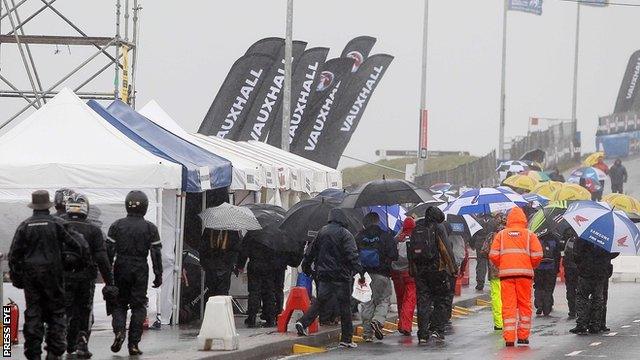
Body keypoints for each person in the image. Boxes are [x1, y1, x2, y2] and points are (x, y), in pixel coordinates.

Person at [9, 190, 84, 360]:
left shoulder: (25, 225)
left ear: (34, 206)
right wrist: (68, 264)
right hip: (53, 275)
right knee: (56, 313)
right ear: (48, 206)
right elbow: (77, 246)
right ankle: (54, 352)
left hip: (31, 276)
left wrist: (18, 277)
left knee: (34, 312)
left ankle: (33, 353)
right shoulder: (57, 224)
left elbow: (14, 255)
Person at [296, 209, 362, 349]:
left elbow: (310, 252)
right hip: (341, 276)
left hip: (324, 274)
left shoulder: (322, 232)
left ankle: (303, 322)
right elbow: (352, 254)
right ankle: (346, 338)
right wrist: (359, 271)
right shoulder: (346, 234)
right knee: (345, 307)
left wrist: (307, 267)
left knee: (320, 302)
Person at [106, 191, 163, 355]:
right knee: (139, 306)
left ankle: (119, 331)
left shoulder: (117, 225)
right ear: (145, 207)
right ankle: (133, 344)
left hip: (121, 266)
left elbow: (108, 251)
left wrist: (108, 274)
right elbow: (155, 253)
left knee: (119, 303)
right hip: (140, 267)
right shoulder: (150, 227)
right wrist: (158, 274)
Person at [63, 193, 115, 358]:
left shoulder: (59, 226)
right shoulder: (94, 230)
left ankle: (66, 340)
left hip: (64, 276)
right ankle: (81, 341)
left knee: (66, 309)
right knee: (84, 310)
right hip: (86, 277)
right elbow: (102, 258)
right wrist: (110, 281)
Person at [489, 207, 543, 347]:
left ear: (509, 219)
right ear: (524, 219)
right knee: (525, 305)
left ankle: (509, 338)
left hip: (506, 275)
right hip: (524, 275)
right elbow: (538, 255)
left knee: (508, 306)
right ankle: (523, 337)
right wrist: (529, 264)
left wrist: (503, 264)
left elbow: (493, 255)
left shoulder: (501, 235)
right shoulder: (530, 235)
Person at [408, 206, 457, 344]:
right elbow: (445, 249)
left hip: (420, 271)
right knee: (441, 299)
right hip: (437, 270)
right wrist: (453, 269)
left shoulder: (417, 228)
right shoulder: (438, 228)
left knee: (423, 301)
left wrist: (413, 270)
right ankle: (437, 330)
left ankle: (422, 334)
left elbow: (410, 251)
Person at [355, 212, 398, 341]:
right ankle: (378, 321)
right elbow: (394, 255)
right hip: (382, 274)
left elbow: (353, 254)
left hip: (363, 275)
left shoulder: (359, 237)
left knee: (366, 303)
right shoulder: (385, 235)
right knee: (383, 300)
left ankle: (367, 334)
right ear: (378, 221)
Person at [570, 238, 616, 335]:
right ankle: (596, 324)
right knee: (598, 298)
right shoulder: (607, 237)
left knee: (582, 298)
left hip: (586, 271)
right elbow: (614, 252)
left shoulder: (583, 236)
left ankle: (582, 324)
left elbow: (575, 254)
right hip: (600, 272)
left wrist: (582, 264)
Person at [237, 235, 277, 328]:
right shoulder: (274, 233)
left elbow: (244, 250)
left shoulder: (253, 233)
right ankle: (270, 317)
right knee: (269, 291)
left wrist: (240, 265)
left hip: (255, 265)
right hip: (269, 266)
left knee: (254, 291)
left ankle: (252, 317)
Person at [391, 217, 417, 336]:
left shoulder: (397, 238)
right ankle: (406, 326)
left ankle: (401, 324)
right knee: (409, 300)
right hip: (410, 273)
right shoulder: (415, 238)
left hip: (396, 274)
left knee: (400, 299)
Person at [479, 213, 505, 331]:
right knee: (507, 297)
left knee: (496, 297)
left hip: (494, 272)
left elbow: (483, 251)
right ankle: (508, 320)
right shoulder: (509, 236)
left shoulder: (491, 236)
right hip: (509, 272)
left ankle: (499, 323)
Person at [199, 228, 242, 297]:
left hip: (224, 266)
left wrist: (232, 263)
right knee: (211, 292)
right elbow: (202, 248)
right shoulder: (209, 230)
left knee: (222, 293)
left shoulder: (232, 231)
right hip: (212, 266)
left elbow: (236, 249)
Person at [533, 230, 561, 316]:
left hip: (538, 268)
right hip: (551, 268)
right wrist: (557, 269)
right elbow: (557, 255)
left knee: (538, 286)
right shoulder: (555, 237)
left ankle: (539, 304)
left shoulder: (535, 237)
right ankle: (547, 308)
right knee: (548, 288)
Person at [472, 215, 498, 291]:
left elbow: (474, 234)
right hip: (491, 244)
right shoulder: (494, 222)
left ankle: (480, 283)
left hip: (480, 244)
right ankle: (492, 281)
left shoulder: (477, 221)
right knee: (491, 264)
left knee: (481, 264)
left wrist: (472, 244)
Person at [562, 229, 579, 319]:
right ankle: (580, 310)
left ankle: (572, 311)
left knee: (570, 290)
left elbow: (565, 256)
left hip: (569, 270)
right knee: (580, 291)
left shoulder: (569, 241)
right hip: (579, 270)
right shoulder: (583, 241)